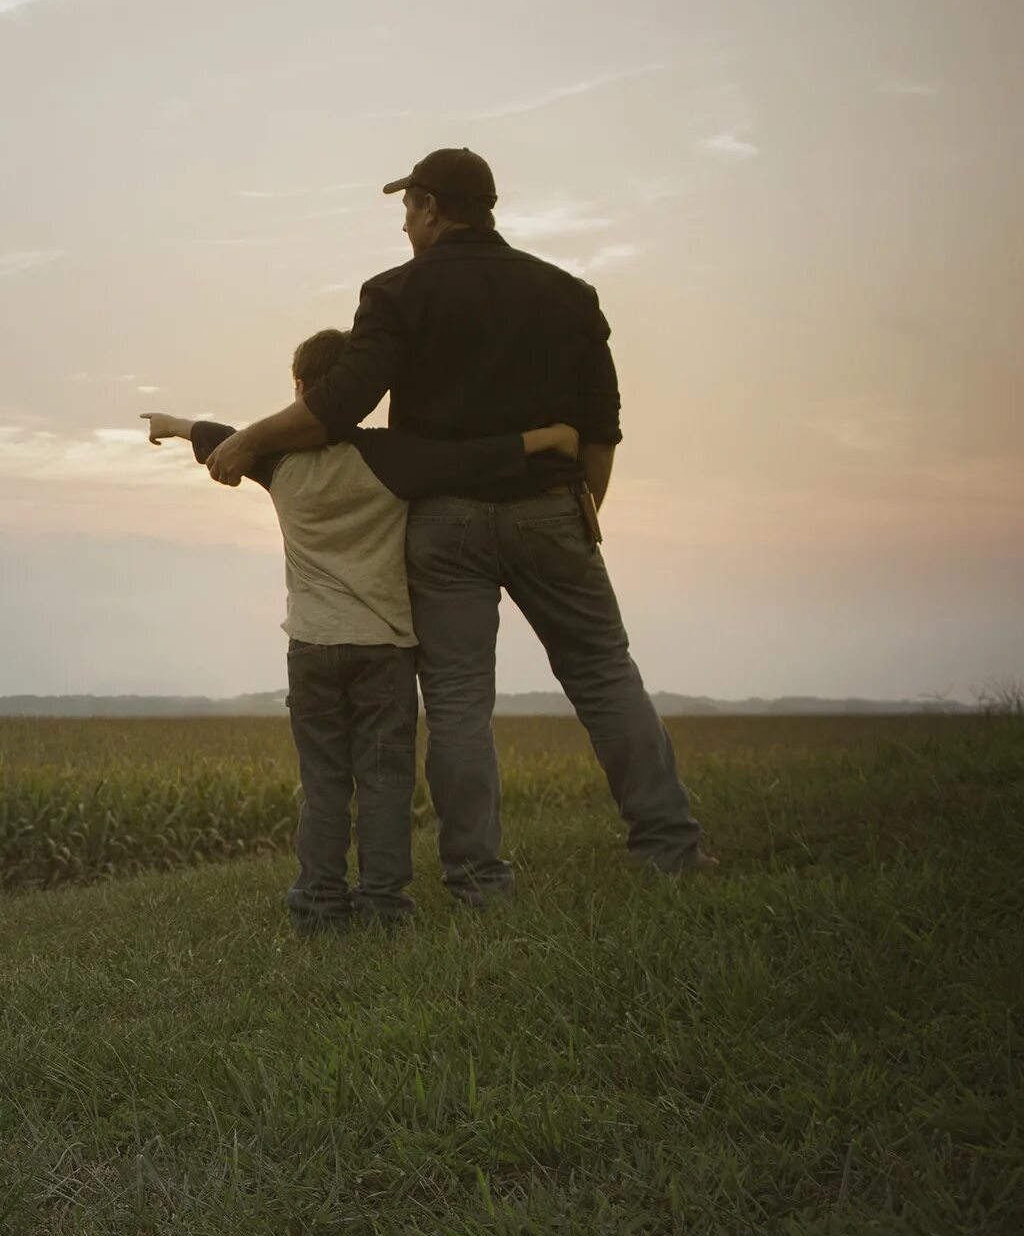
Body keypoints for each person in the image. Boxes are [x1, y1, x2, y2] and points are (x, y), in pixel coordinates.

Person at [205, 148, 712, 903]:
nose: (405, 223)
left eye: (408, 207)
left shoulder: (395, 293)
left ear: (431, 207)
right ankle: (670, 849)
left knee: (457, 704)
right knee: (606, 677)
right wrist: (583, 513)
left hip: (442, 528)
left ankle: (478, 877)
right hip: (550, 509)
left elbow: (336, 405)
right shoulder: (570, 295)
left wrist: (247, 439)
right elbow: (600, 430)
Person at [145, 328, 580, 931]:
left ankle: (320, 903)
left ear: (298, 391)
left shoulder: (275, 460)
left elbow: (217, 436)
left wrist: (170, 423)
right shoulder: (391, 456)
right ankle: (384, 906)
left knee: (324, 784)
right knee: (384, 784)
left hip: (313, 647)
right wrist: (550, 438)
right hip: (385, 650)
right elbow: (475, 457)